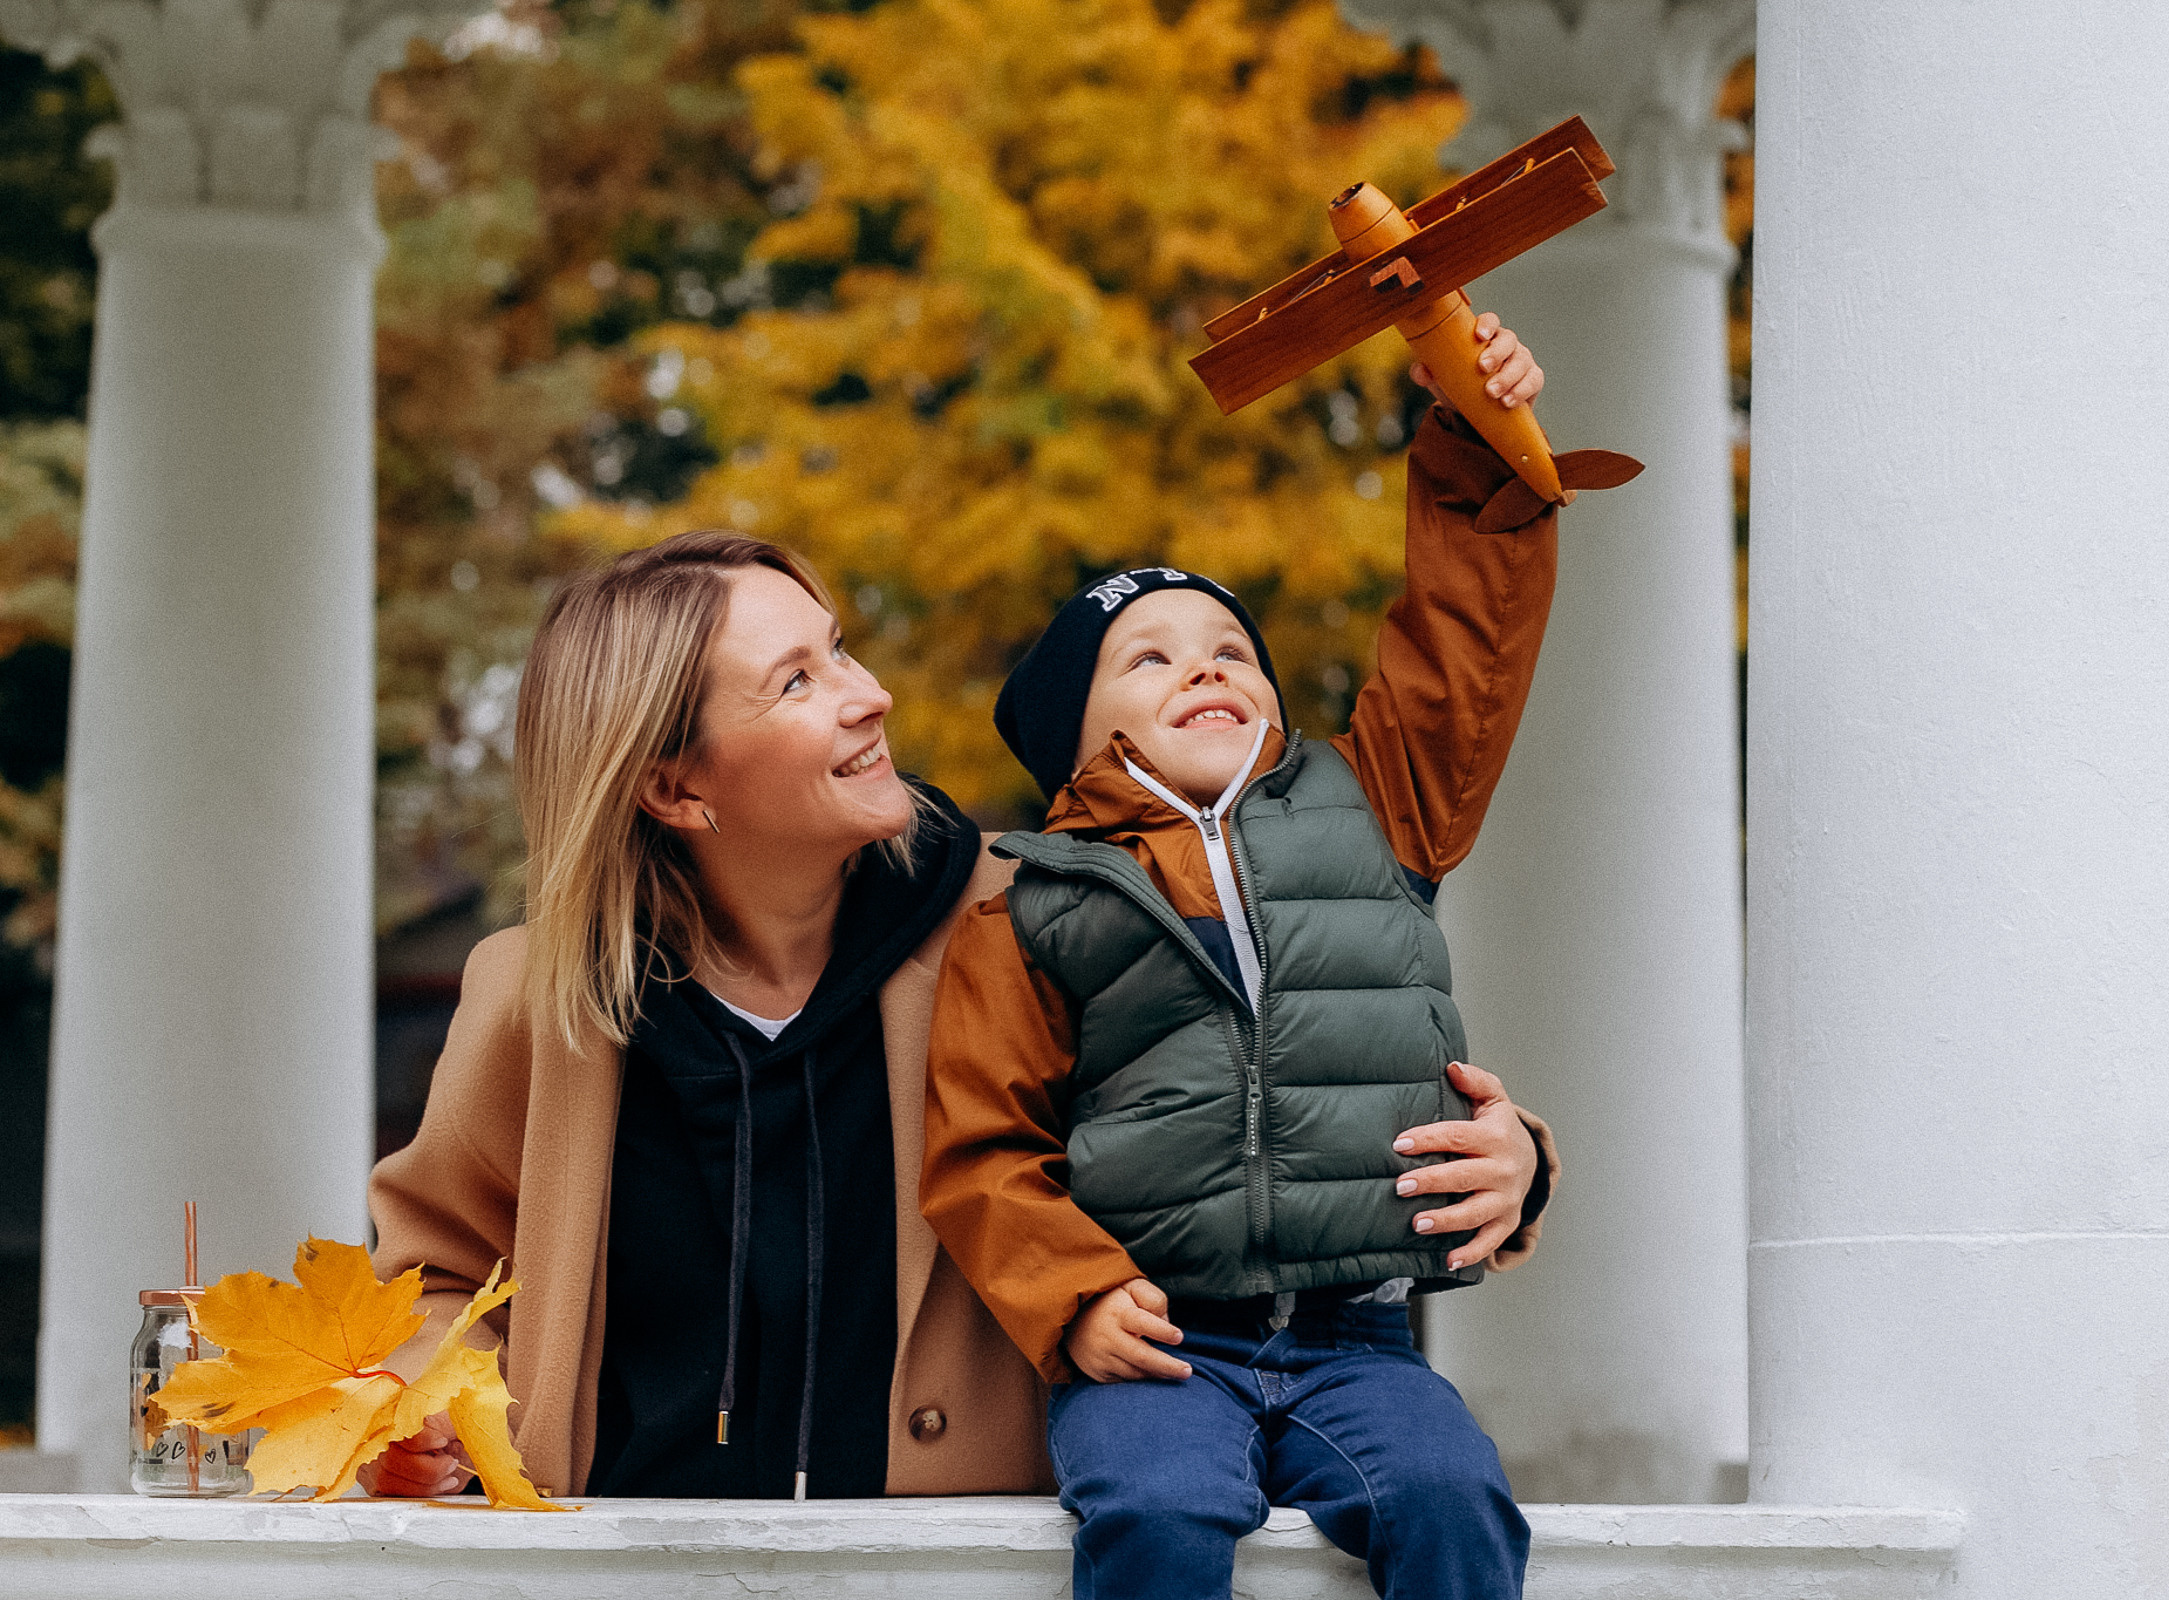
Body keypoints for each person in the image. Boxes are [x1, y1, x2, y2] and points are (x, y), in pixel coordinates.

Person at [360, 523, 1554, 1500]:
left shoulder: (1040, 919)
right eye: (798, 681)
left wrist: (1515, 1164)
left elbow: (1274, 1090)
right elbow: (436, 1274)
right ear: (672, 783)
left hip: (961, 1568)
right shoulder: (536, 995)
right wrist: (437, 1414)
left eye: (840, 651)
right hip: (625, 1577)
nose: (870, 695)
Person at [921, 314, 1562, 1596]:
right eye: (1148, 658)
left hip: (1359, 1334)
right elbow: (984, 1148)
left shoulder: (1376, 807)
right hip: (1160, 1332)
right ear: (1079, 742)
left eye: (1230, 652)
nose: (1204, 667)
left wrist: (1478, 442)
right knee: (1155, 1514)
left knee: (1453, 1496)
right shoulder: (1032, 898)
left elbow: (1460, 648)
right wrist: (1076, 1297)